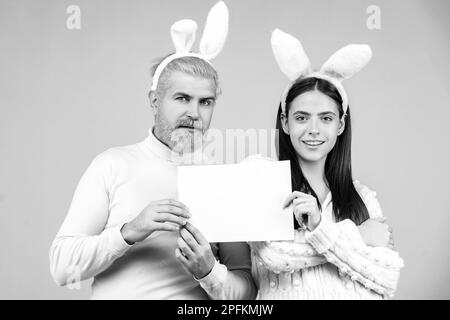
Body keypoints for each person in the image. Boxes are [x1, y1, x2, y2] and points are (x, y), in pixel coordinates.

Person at [49, 1, 256, 300]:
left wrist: (209, 271)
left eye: (205, 101)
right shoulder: (112, 165)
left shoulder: (224, 180)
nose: (194, 113)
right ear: (155, 101)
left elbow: (247, 294)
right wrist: (129, 231)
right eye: (182, 98)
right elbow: (61, 267)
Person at [248, 29, 404, 299]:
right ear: (285, 122)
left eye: (326, 118)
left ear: (341, 125)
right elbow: (274, 254)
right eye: (301, 118)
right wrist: (357, 235)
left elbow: (387, 277)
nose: (313, 129)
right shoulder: (263, 178)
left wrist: (321, 231)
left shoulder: (362, 198)